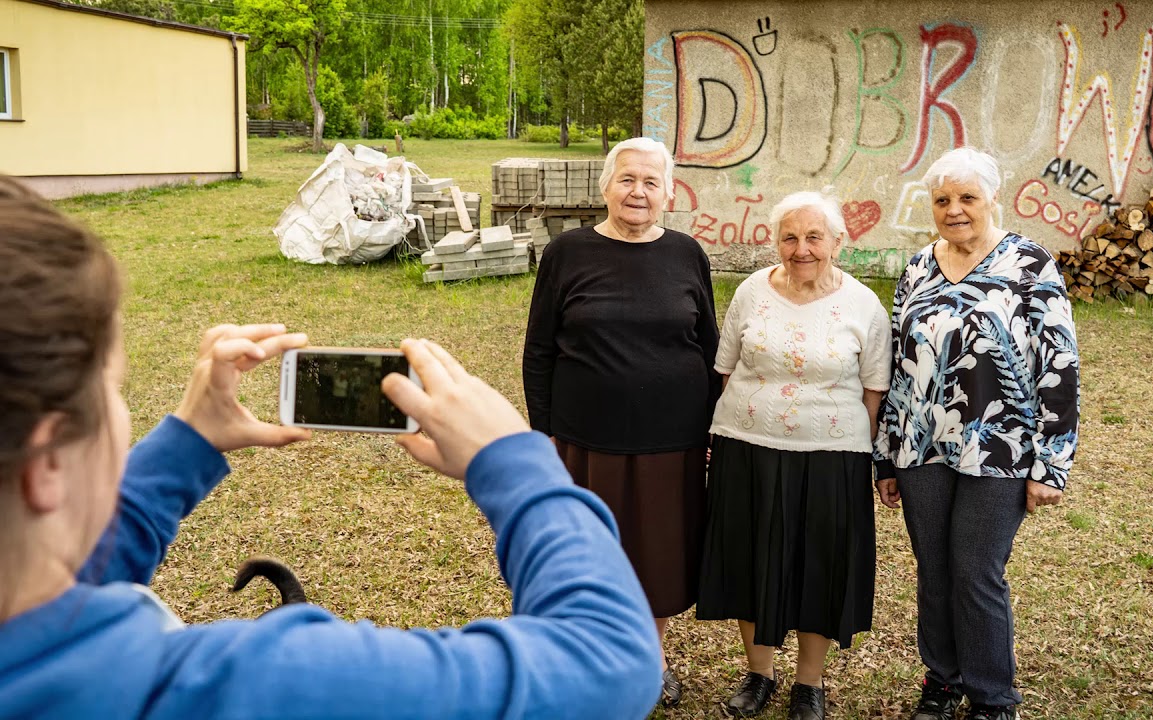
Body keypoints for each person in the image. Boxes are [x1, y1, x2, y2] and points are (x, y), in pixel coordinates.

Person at [0, 179, 663, 720]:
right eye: (112, 389)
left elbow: (52, 574)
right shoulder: (238, 687)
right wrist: (516, 462)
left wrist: (186, 444)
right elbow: (611, 660)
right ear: (50, 460)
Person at [873, 148, 1080, 720]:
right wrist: (886, 457)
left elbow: (1059, 366)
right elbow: (895, 361)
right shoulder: (917, 266)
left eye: (968, 198)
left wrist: (1051, 463)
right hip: (920, 446)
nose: (955, 210)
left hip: (1002, 447)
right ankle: (942, 680)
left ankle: (992, 696)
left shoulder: (1030, 263)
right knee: (934, 569)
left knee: (976, 570)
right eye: (943, 200)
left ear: (994, 199)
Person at [522, 137, 721, 706]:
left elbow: (708, 349)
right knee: (587, 555)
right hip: (585, 439)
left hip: (673, 440)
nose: (638, 191)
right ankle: (586, 660)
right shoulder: (567, 254)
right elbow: (539, 351)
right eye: (628, 179)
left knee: (659, 556)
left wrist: (709, 430)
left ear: (668, 193)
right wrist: (545, 435)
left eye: (651, 182)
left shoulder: (688, 255)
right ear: (605, 186)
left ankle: (650, 660)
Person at [697, 191, 891, 720]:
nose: (801, 248)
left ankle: (809, 684)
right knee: (749, 560)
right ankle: (759, 674)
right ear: (775, 241)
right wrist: (717, 437)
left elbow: (874, 388)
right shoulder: (750, 291)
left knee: (820, 566)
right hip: (746, 447)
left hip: (832, 455)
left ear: (837, 242)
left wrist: (859, 453)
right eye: (789, 236)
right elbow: (725, 368)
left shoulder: (863, 305)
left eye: (813, 237)